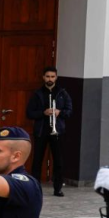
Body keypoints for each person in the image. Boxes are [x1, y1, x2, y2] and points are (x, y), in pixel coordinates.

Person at [25, 66, 72, 197]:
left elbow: (69, 111)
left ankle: (58, 188)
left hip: (57, 132)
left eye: (52, 76)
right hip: (41, 131)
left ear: (56, 77)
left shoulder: (62, 93)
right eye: (47, 76)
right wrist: (43, 113)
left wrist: (59, 112)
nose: (50, 79)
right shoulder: (37, 94)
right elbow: (29, 113)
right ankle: (34, 187)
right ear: (43, 77)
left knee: (58, 161)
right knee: (37, 160)